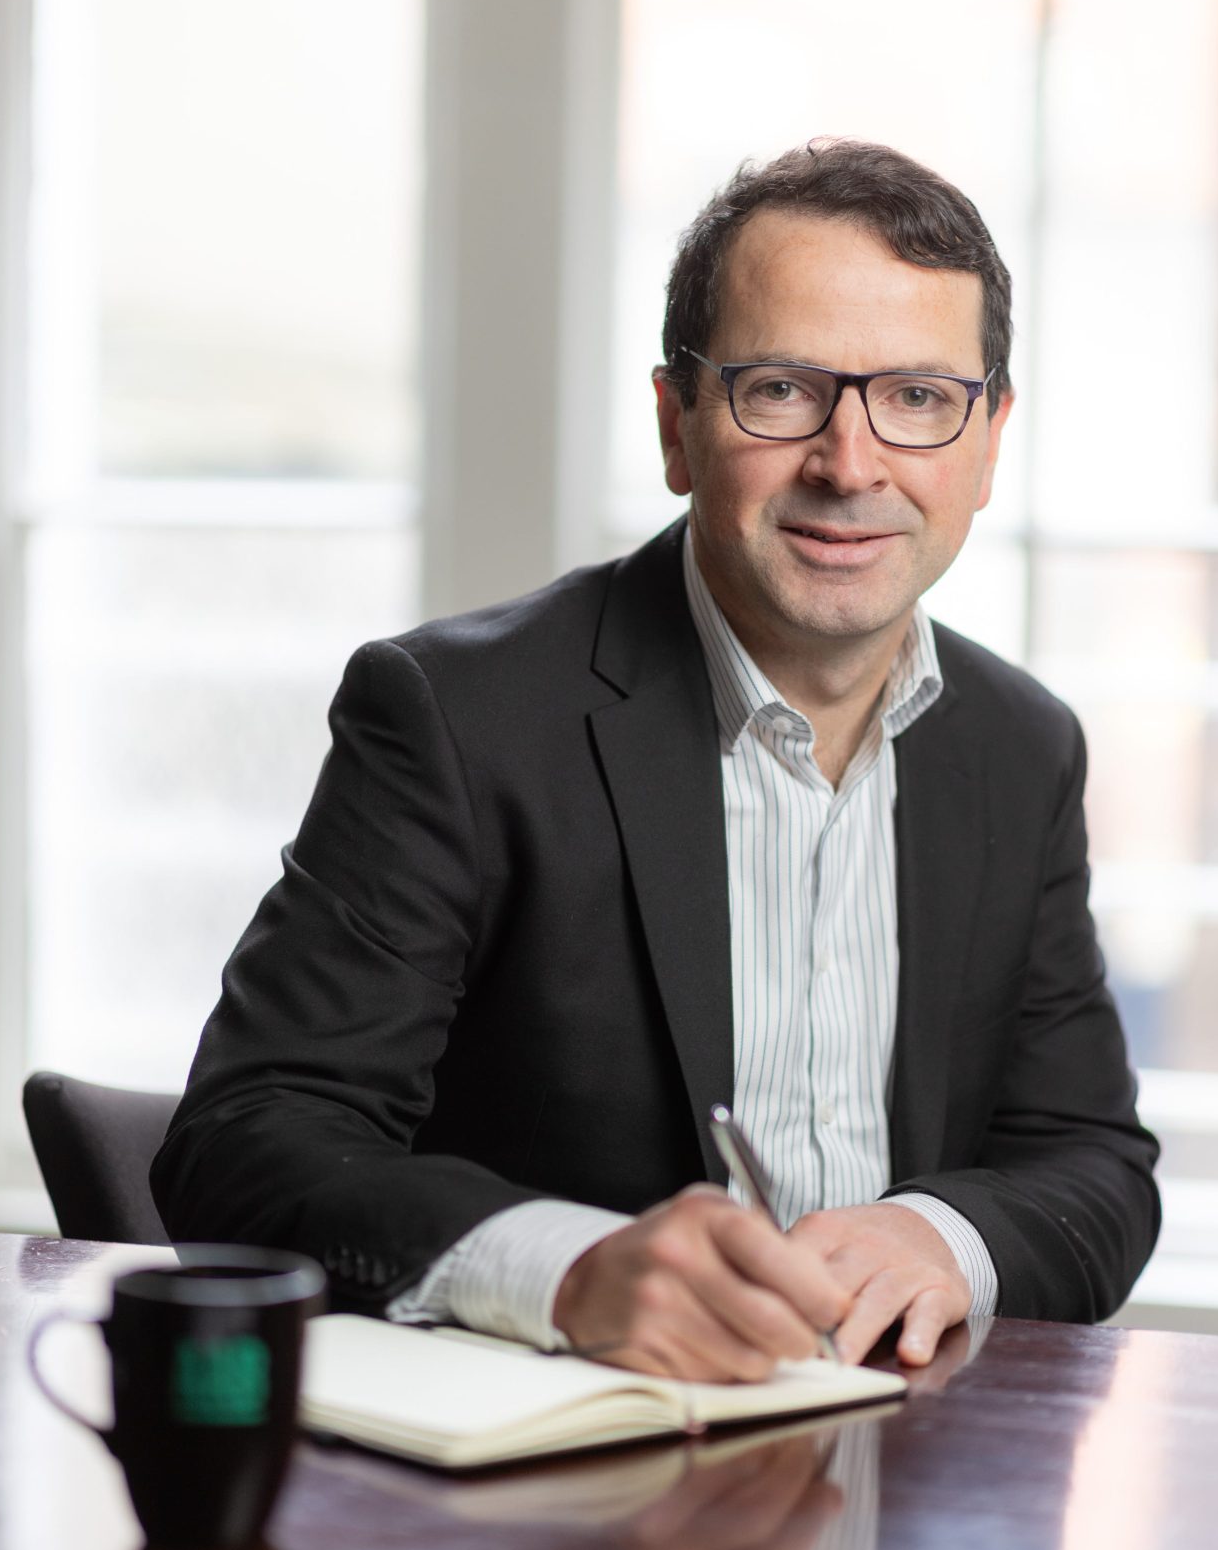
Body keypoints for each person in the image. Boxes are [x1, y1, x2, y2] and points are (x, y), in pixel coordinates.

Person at [152, 139, 1160, 1380]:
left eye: (916, 398)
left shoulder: (1020, 748)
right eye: (781, 390)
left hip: (903, 1480)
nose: (850, 465)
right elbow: (247, 1139)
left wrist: (940, 1233)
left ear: (988, 439)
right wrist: (569, 1272)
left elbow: (1090, 1162)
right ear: (678, 425)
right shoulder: (456, 716)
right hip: (552, 1484)